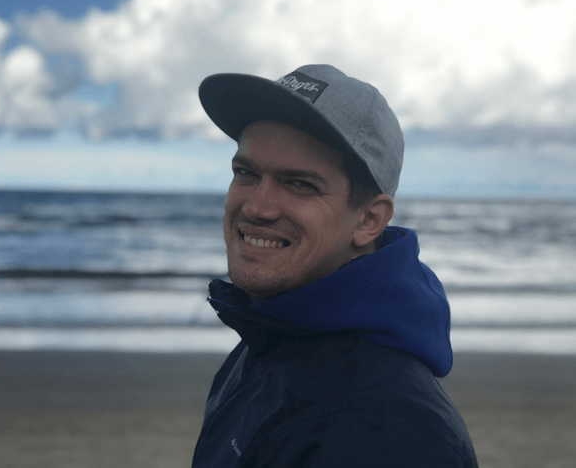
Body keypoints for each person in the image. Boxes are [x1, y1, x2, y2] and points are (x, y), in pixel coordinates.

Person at [191, 65, 478, 467]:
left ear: (369, 220)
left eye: (299, 184)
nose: (256, 207)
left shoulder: (385, 430)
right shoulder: (271, 335)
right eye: (246, 173)